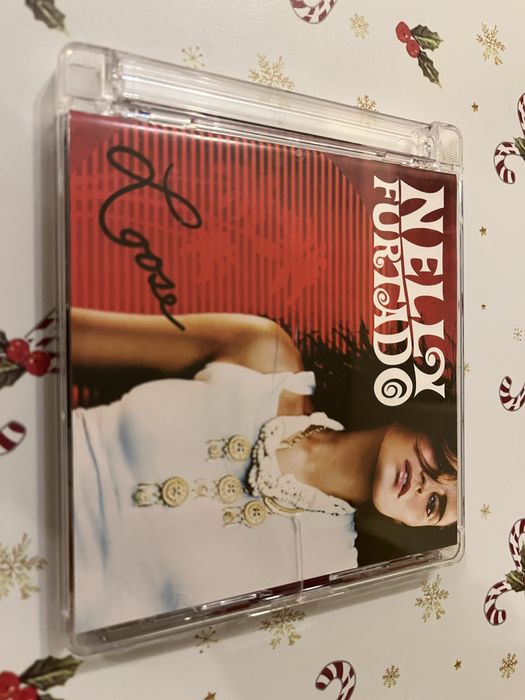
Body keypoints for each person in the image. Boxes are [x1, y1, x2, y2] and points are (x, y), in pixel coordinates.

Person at [71, 308, 458, 633]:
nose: (425, 485)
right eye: (442, 461)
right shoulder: (263, 354)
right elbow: (67, 336)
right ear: (425, 413)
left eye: (435, 505)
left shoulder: (322, 583)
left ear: (414, 528)